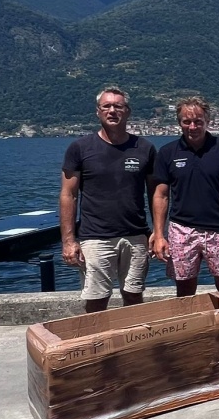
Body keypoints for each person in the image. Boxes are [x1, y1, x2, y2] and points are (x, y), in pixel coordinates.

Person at [60, 87, 156, 313]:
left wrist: (158, 232)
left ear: (127, 111)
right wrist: (68, 241)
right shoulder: (80, 148)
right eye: (107, 106)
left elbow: (157, 194)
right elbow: (68, 195)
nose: (112, 110)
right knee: (96, 300)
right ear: (98, 111)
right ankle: (97, 337)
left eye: (118, 106)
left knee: (134, 296)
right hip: (95, 237)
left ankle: (132, 336)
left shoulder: (145, 148)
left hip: (136, 236)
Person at [151, 97, 219, 297]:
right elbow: (161, 195)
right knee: (184, 289)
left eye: (198, 121)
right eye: (187, 121)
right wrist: (159, 234)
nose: (192, 127)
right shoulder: (167, 152)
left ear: (207, 121)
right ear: (179, 123)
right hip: (181, 229)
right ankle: (189, 318)